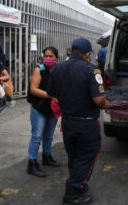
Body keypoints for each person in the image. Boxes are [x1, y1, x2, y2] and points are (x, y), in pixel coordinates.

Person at [47, 38, 109, 205]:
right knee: (88, 155)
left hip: (67, 122)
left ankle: (78, 186)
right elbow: (98, 100)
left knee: (74, 156)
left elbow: (52, 94)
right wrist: (106, 104)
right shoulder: (93, 70)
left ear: (72, 51)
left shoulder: (57, 68)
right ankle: (73, 192)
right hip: (87, 123)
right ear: (87, 54)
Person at [27, 46, 60, 178]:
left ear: (56, 58)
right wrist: (50, 96)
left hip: (52, 108)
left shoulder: (58, 71)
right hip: (38, 107)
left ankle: (47, 156)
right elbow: (33, 89)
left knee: (49, 135)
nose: (47, 59)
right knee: (37, 136)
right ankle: (32, 163)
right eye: (45, 56)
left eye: (50, 56)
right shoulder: (38, 70)